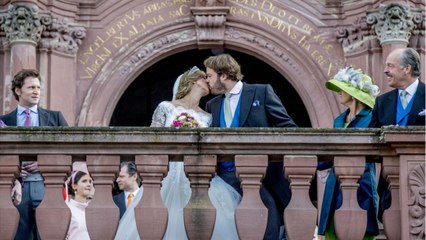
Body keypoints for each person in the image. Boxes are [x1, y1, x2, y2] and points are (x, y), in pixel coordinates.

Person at [204, 54, 298, 239]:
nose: (207, 81)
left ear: (223, 75)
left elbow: (287, 127)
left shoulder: (261, 92)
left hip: (260, 177)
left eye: (209, 75)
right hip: (222, 181)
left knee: (267, 228)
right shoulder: (211, 105)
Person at [150, 66, 241, 240]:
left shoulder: (207, 116)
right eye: (203, 78)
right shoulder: (166, 107)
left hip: (199, 173)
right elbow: (152, 142)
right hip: (170, 173)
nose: (208, 81)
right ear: (193, 82)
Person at [0, 69, 68, 240]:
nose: (36, 91)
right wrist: (12, 168)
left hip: (45, 185)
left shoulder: (56, 118)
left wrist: (44, 164)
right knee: (18, 236)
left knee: (48, 235)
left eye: (38, 87)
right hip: (14, 188)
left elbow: (69, 151)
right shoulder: (4, 121)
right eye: (31, 87)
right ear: (18, 90)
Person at [317, 66, 380, 239]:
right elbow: (331, 152)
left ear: (352, 92)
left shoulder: (372, 117)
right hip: (334, 184)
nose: (338, 92)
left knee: (361, 231)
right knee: (333, 232)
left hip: (362, 182)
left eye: (341, 88)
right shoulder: (339, 120)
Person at [369, 48, 425, 221]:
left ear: (406, 69)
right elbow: (370, 139)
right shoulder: (382, 102)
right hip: (390, 184)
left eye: (390, 66)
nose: (385, 70)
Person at [113, 161, 144, 240]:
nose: (117, 180)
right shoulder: (113, 200)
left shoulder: (146, 198)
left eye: (121, 176)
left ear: (134, 176)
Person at [65, 171, 93, 240]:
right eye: (84, 181)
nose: (89, 184)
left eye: (90, 181)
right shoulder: (67, 209)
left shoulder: (93, 209)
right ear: (74, 186)